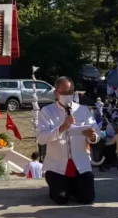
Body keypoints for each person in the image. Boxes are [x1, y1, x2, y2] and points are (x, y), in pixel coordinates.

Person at [36, 77, 100, 205]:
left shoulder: (83, 110)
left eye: (71, 92)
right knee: (61, 199)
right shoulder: (47, 111)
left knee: (87, 199)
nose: (68, 96)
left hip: (80, 164)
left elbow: (96, 134)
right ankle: (59, 188)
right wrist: (61, 128)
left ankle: (74, 187)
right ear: (56, 93)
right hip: (57, 166)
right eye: (64, 93)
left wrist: (92, 136)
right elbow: (41, 138)